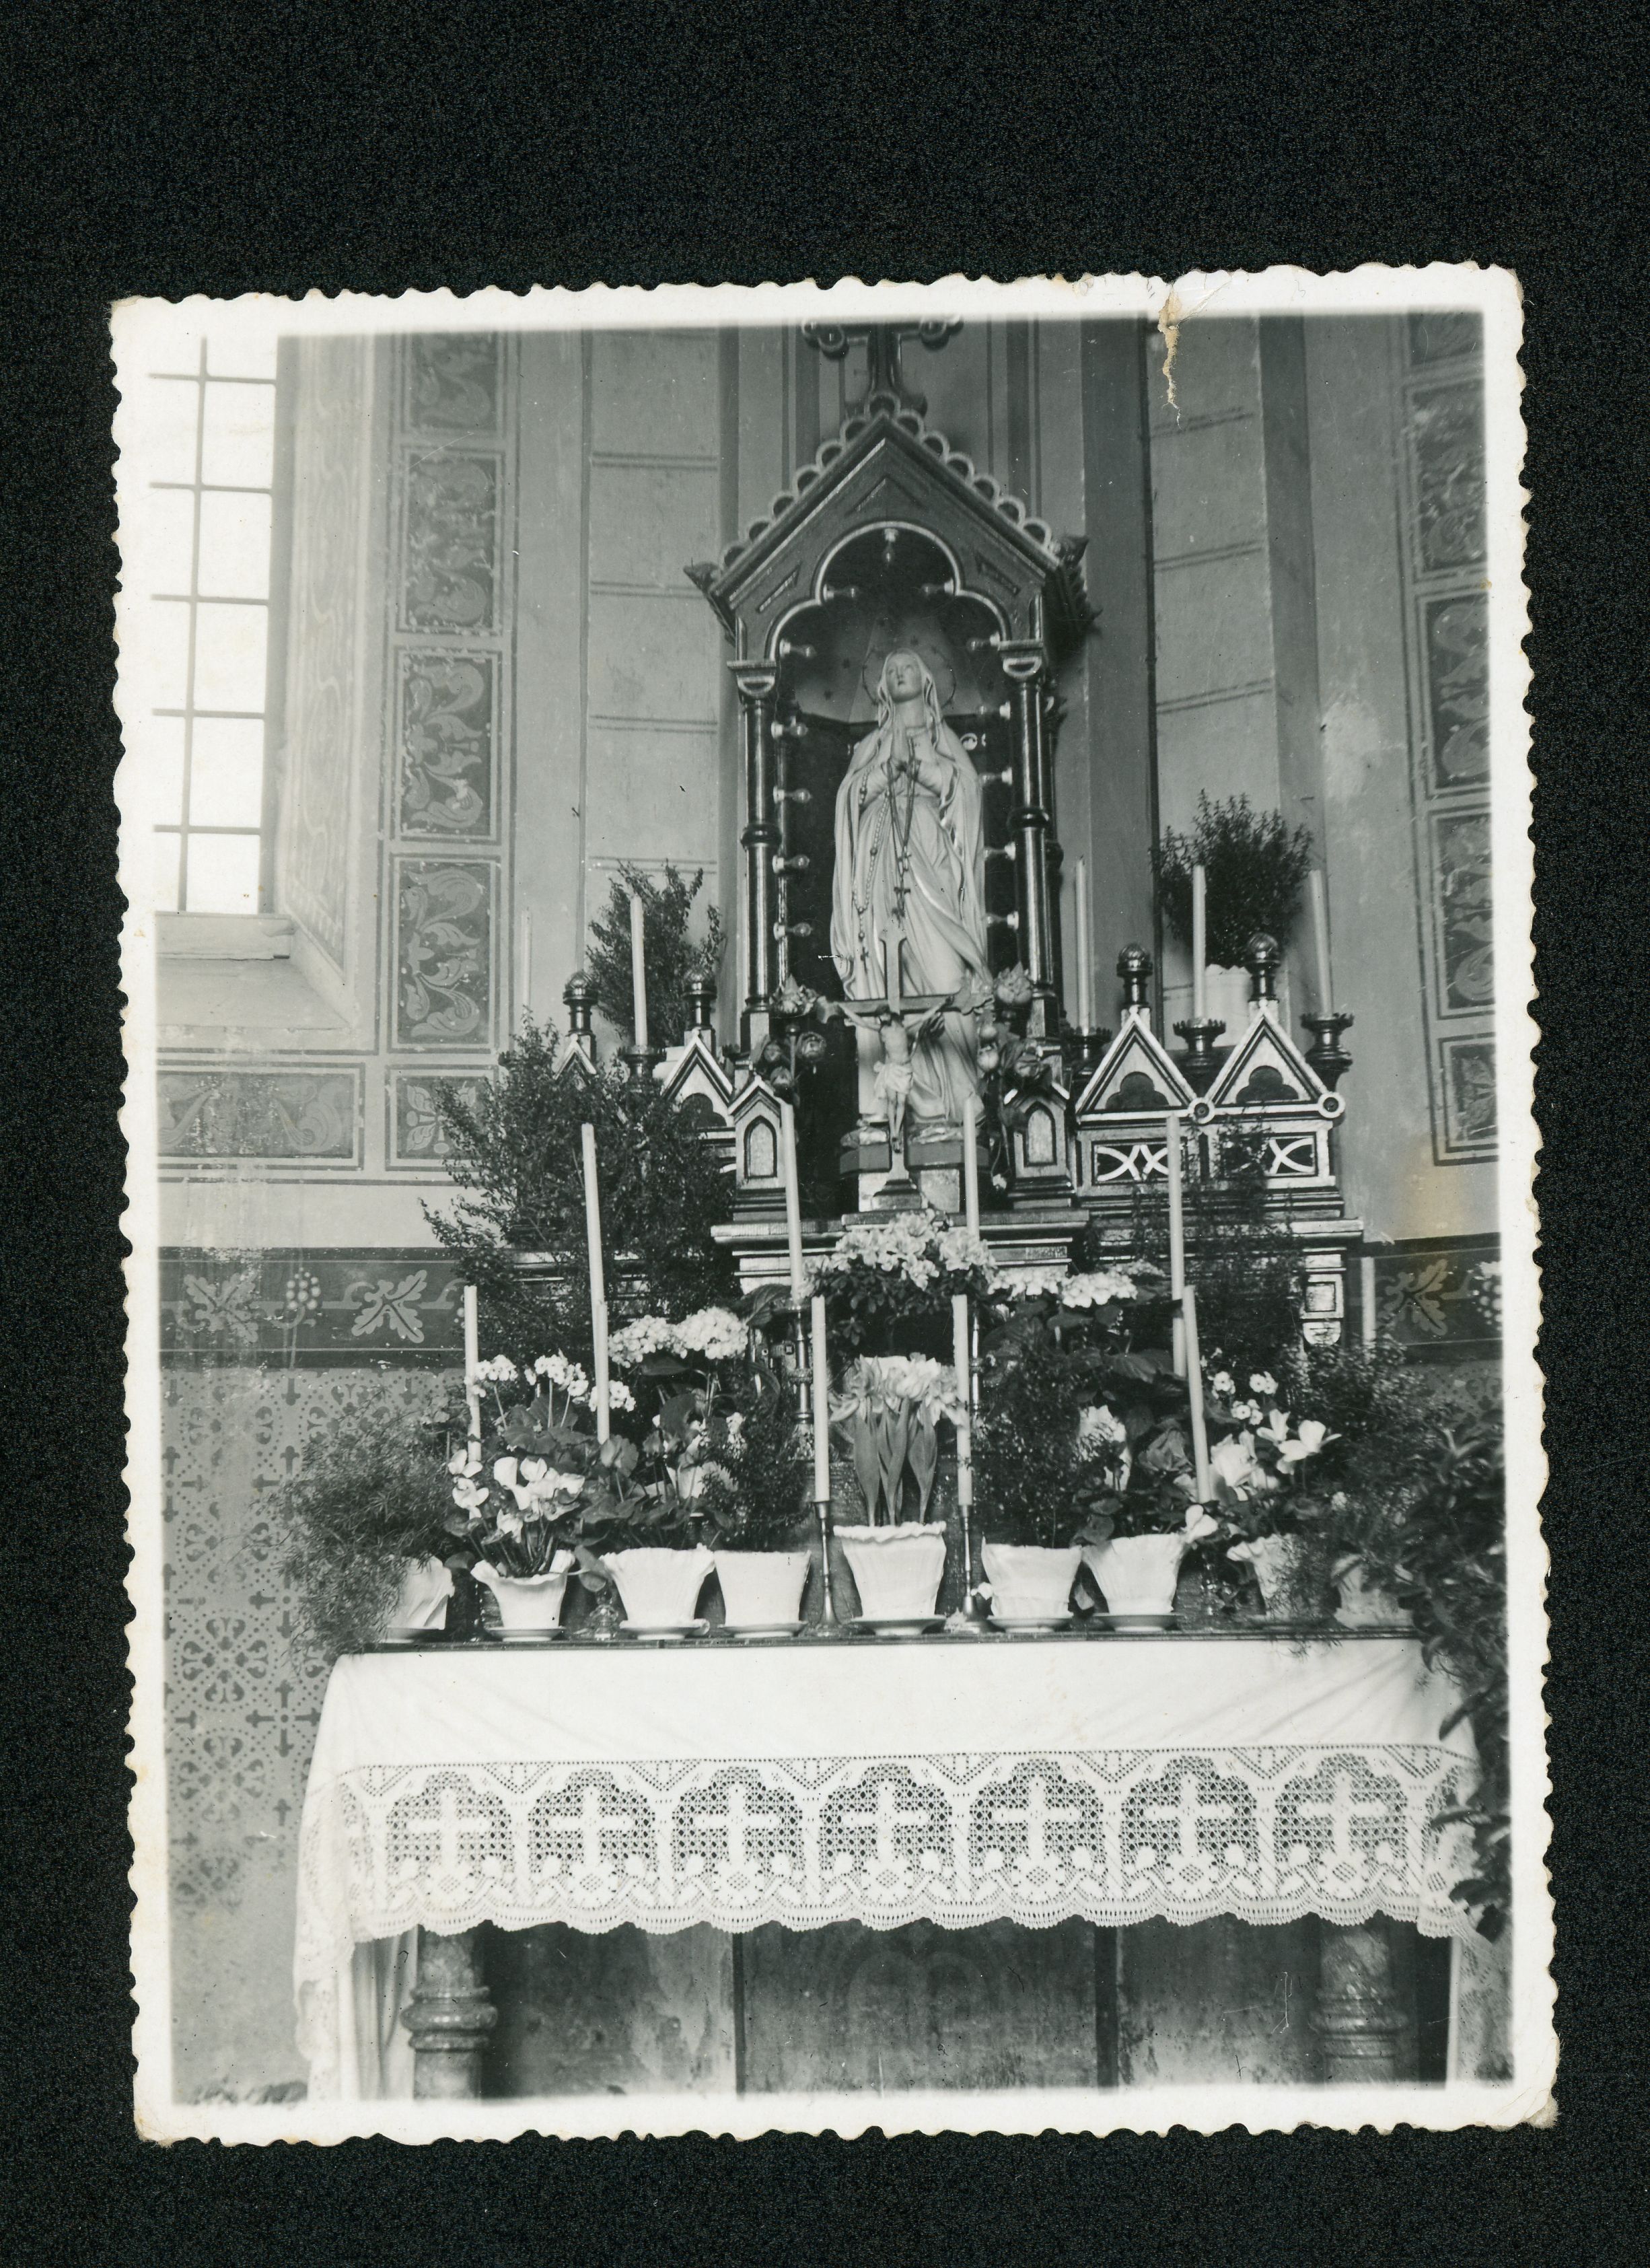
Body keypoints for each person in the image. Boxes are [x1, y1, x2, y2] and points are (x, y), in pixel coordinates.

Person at [829, 648, 989, 1131]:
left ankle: (960, 1102)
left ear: (926, 680)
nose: (900, 673)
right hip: (880, 866)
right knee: (884, 979)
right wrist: (885, 770)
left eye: (908, 668)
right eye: (891, 670)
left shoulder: (942, 737)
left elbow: (967, 792)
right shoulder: (872, 743)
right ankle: (889, 1107)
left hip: (929, 858)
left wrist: (917, 767)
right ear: (882, 686)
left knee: (947, 976)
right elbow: (849, 798)